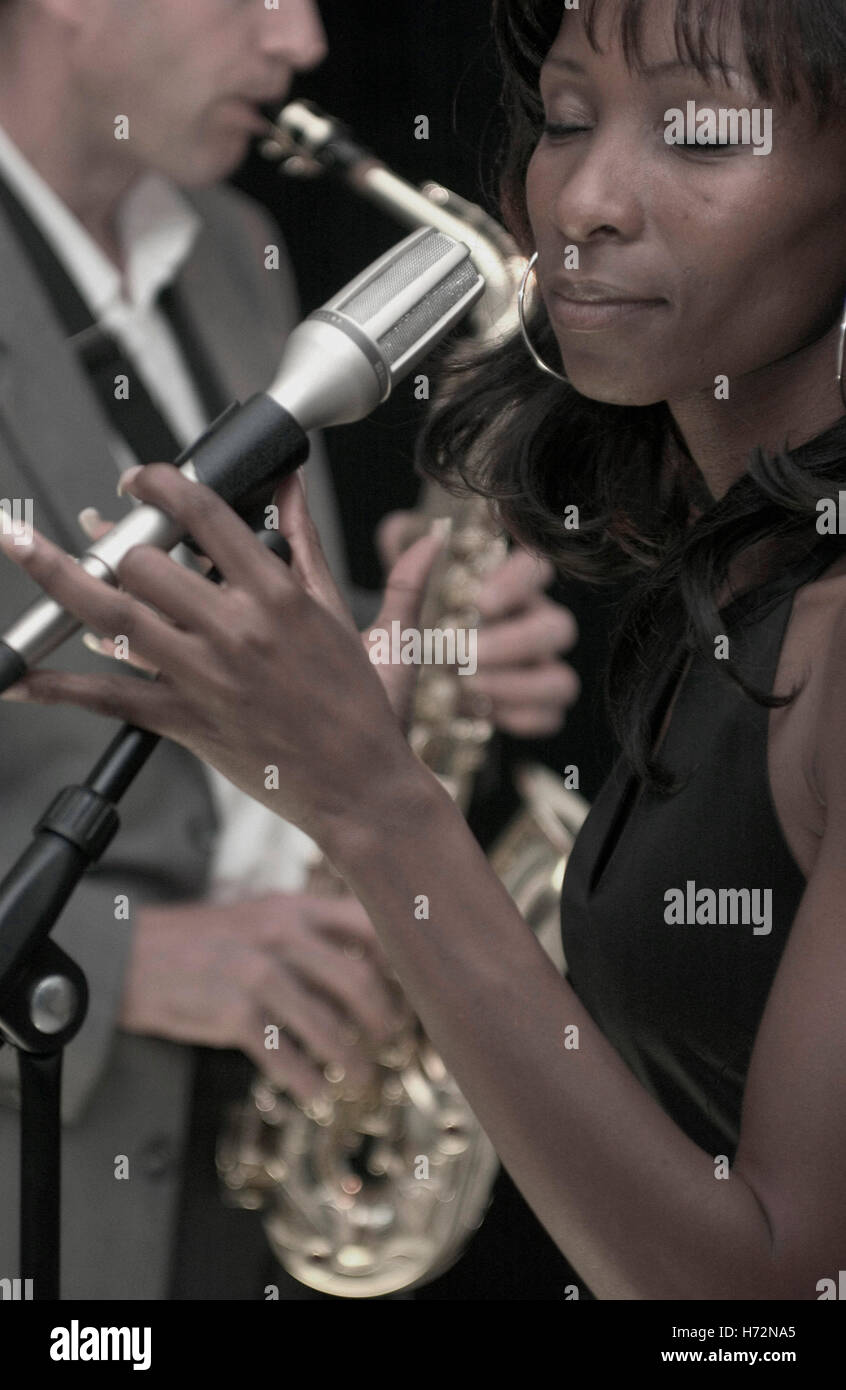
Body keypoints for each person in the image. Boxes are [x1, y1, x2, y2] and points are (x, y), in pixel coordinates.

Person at [12, 0, 845, 1301]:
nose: (580, 201)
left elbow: (767, 1301)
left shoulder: (236, 251)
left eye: (696, 132)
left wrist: (368, 798)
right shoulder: (742, 581)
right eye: (564, 121)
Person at [0, 0, 579, 1300]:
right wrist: (117, 950)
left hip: (264, 1128)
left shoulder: (231, 241)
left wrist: (418, 640)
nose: (304, 42)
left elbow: (221, 604)